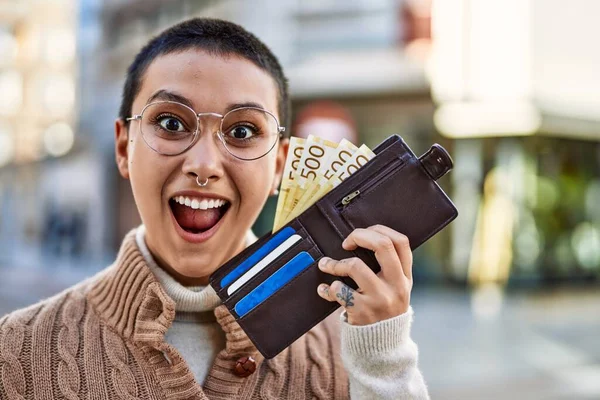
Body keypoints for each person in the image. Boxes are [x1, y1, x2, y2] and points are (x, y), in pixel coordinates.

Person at [0, 18, 430, 399]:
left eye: (242, 130)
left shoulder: (356, 349)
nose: (204, 165)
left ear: (279, 165)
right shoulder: (16, 353)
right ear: (123, 146)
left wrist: (384, 362)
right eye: (171, 123)